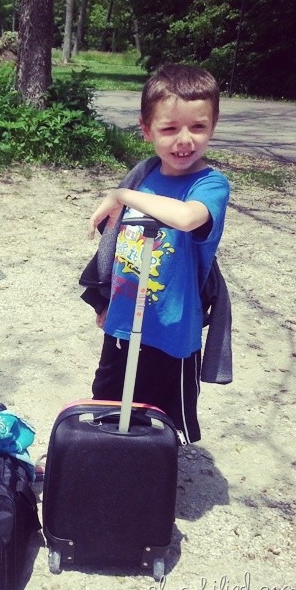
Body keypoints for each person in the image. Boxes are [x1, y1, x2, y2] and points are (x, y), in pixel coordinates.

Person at [87, 64, 230, 444]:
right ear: (146, 129)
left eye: (198, 127)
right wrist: (106, 301)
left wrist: (121, 195)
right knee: (107, 402)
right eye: (169, 129)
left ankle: (151, 466)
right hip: (123, 321)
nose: (184, 140)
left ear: (213, 125)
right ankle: (103, 459)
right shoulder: (144, 174)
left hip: (172, 329)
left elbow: (186, 218)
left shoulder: (210, 185)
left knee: (158, 418)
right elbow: (122, 250)